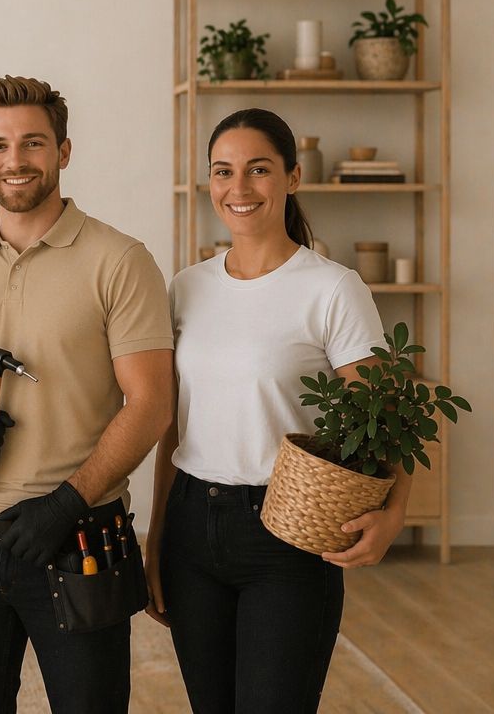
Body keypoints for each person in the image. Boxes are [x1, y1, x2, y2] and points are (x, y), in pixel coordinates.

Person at [0, 75, 175, 714]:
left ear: (64, 151)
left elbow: (152, 404)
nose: (15, 160)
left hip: (77, 533)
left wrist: (66, 503)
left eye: (32, 143)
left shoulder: (119, 260)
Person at [145, 107, 399, 713]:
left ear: (292, 177)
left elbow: (386, 414)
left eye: (258, 169)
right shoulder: (186, 287)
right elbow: (171, 425)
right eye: (223, 171)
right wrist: (156, 540)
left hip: (288, 533)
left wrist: (394, 513)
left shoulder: (332, 288)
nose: (239, 188)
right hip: (189, 529)